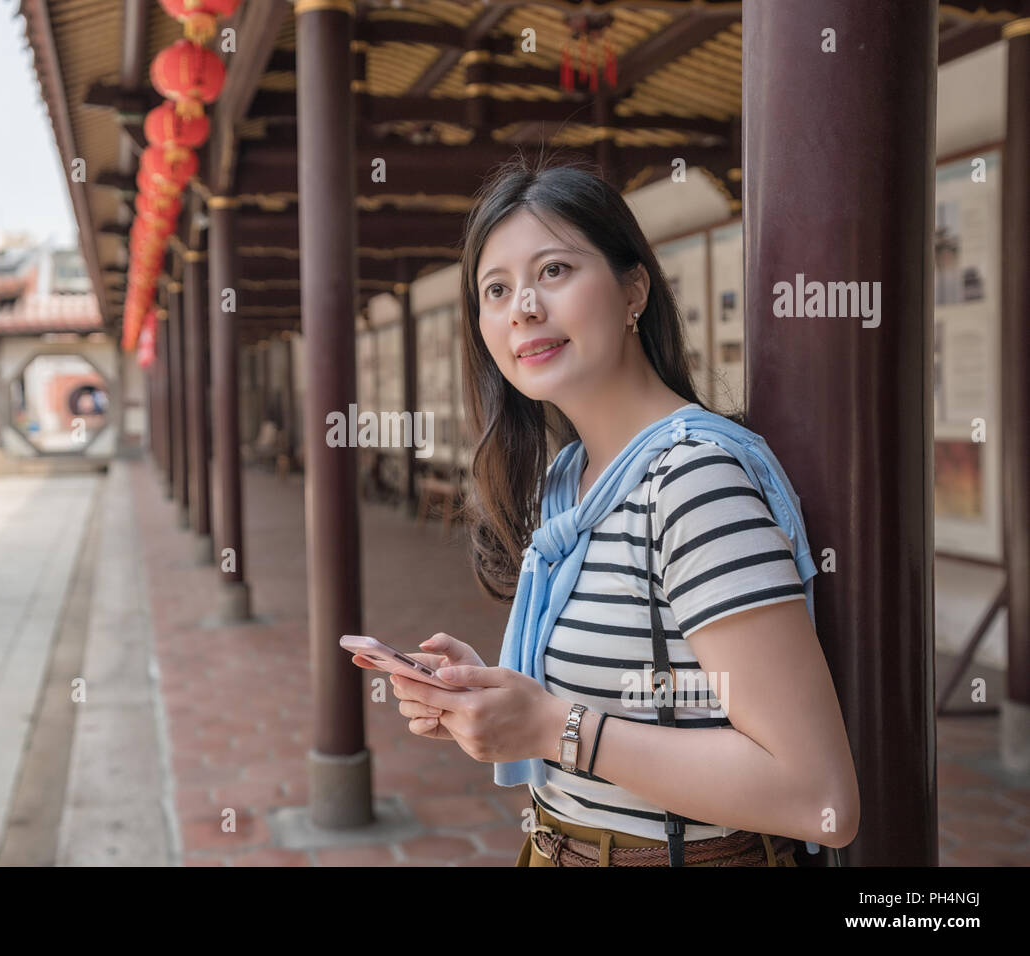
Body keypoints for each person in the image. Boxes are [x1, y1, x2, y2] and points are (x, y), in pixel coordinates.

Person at [352, 160, 859, 867]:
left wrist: (551, 727)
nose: (522, 306)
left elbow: (817, 796)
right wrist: (494, 699)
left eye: (553, 271)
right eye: (495, 290)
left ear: (633, 290)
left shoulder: (690, 481)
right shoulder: (568, 483)